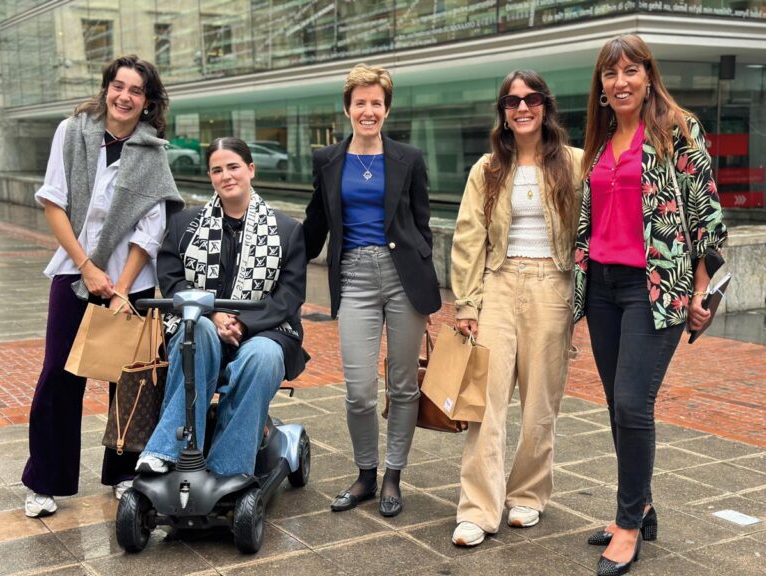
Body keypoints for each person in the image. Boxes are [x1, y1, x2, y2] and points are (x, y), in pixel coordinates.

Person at [573, 34, 727, 576]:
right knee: (619, 406)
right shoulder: (599, 141)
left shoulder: (678, 130)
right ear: (601, 86)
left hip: (654, 288)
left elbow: (707, 217)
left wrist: (703, 291)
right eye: (611, 74)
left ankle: (629, 525)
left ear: (647, 75)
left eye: (630, 71)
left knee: (633, 403)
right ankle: (641, 505)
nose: (620, 82)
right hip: (601, 290)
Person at [22, 55, 184, 518]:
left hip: (132, 282)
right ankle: (45, 481)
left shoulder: (153, 151)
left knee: (129, 380)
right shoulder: (71, 132)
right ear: (106, 88)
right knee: (58, 374)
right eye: (119, 86)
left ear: (148, 102)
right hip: (75, 273)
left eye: (136, 91)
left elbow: (150, 231)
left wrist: (120, 289)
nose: (125, 96)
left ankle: (124, 473)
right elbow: (54, 202)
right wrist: (87, 269)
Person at [449, 71, 583, 547]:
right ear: (503, 112)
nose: (521, 108)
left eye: (530, 99)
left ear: (545, 106)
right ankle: (478, 508)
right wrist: (466, 302)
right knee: (485, 402)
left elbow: (592, 231)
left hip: (553, 287)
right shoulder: (487, 168)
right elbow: (468, 238)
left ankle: (527, 494)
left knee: (540, 402)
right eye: (511, 101)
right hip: (499, 286)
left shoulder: (575, 163)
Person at [302, 64, 441, 517]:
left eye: (376, 103)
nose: (368, 110)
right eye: (360, 102)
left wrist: (420, 268)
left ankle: (393, 476)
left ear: (386, 108)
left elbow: (422, 222)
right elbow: (315, 223)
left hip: (402, 277)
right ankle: (365, 474)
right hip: (355, 277)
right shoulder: (328, 161)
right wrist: (280, 262)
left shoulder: (409, 158)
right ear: (347, 109)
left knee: (402, 386)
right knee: (359, 389)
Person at [136, 137, 307, 477]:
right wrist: (212, 314)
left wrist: (242, 324)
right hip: (200, 327)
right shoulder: (184, 225)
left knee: (262, 356)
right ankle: (167, 449)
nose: (226, 176)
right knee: (194, 331)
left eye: (233, 167)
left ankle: (228, 469)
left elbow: (288, 296)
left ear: (251, 170)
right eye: (217, 170)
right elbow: (172, 282)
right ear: (210, 176)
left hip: (266, 332)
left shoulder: (286, 231)